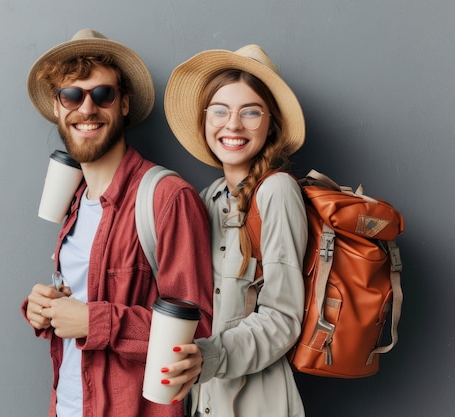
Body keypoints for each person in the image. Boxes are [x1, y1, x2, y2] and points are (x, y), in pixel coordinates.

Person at [21, 29, 213, 417]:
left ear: (123, 104)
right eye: (71, 95)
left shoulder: (167, 197)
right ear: (58, 108)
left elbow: (197, 332)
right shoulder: (73, 203)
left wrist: (94, 321)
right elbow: (80, 302)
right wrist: (44, 309)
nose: (86, 109)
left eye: (102, 95)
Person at [161, 44, 309, 416]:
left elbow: (283, 317)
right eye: (220, 111)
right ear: (205, 119)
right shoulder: (207, 198)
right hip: (206, 402)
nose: (233, 125)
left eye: (250, 112)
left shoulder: (277, 191)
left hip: (259, 403)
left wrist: (208, 356)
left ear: (271, 124)